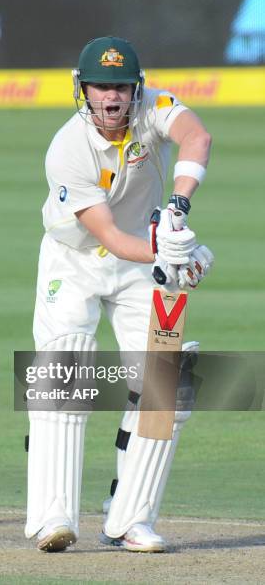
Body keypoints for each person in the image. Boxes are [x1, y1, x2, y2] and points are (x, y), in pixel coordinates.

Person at [25, 36, 214, 553]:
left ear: (137, 88)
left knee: (167, 378)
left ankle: (130, 517)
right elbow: (107, 237)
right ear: (82, 90)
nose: (111, 99)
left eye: (121, 88)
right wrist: (169, 255)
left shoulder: (153, 108)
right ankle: (53, 516)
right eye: (100, 87)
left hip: (140, 263)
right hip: (77, 259)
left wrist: (178, 208)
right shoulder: (68, 148)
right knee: (66, 365)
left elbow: (197, 137)